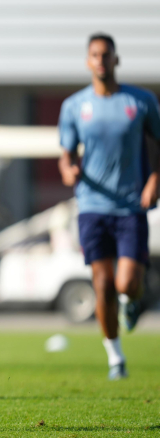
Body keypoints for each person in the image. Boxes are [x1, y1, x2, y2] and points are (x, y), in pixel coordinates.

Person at [58, 33, 160, 380]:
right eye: (95, 55)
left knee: (127, 283)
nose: (101, 60)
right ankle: (115, 357)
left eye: (107, 55)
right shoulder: (74, 106)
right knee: (101, 285)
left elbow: (157, 142)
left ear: (116, 60)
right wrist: (68, 169)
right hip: (92, 206)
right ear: (88, 61)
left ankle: (134, 301)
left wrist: (154, 179)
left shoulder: (141, 101)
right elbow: (66, 154)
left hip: (131, 205)